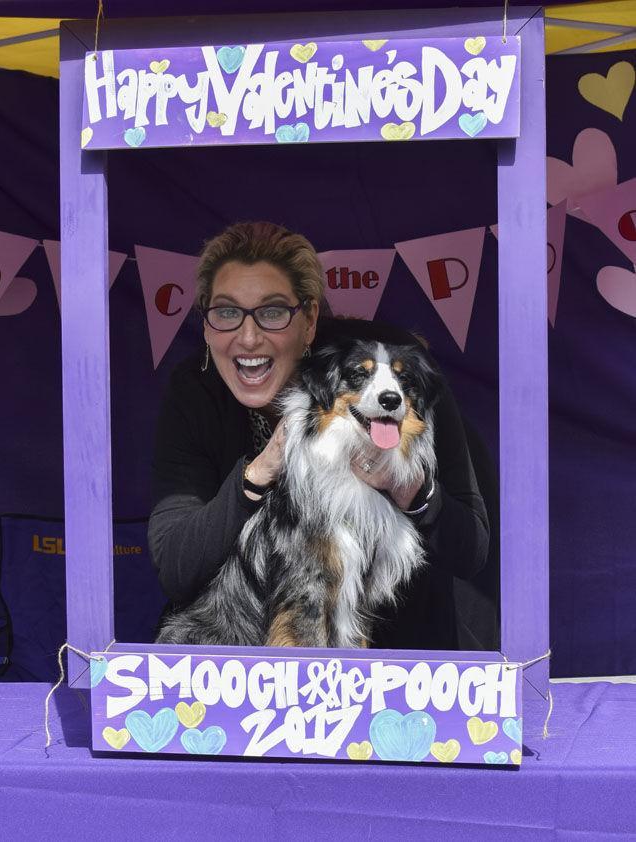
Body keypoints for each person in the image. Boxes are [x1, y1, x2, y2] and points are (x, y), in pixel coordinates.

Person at [148, 221, 494, 650]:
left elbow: (471, 549)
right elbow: (177, 568)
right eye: (226, 311)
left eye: (273, 311)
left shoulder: (398, 373)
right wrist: (258, 475)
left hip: (401, 662)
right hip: (237, 659)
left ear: (309, 319)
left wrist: (409, 490)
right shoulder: (195, 389)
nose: (249, 335)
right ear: (205, 324)